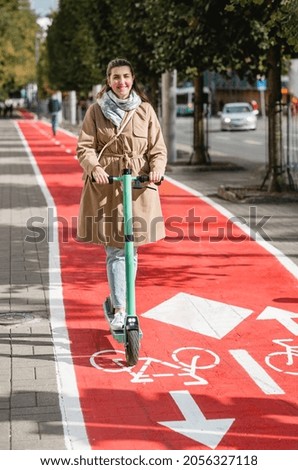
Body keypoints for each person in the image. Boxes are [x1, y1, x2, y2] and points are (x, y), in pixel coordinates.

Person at [76, 58, 167, 330]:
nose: (121, 82)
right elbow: (85, 147)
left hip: (137, 187)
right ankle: (120, 309)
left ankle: (125, 303)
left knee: (132, 249)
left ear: (133, 78)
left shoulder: (146, 111)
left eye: (126, 76)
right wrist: (95, 167)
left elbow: (157, 149)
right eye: (116, 77)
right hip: (107, 187)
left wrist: (157, 170)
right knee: (116, 249)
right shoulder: (95, 111)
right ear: (108, 81)